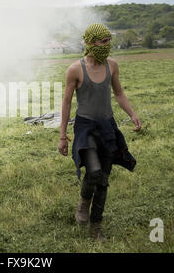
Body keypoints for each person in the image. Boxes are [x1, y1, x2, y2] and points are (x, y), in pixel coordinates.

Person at [58, 23, 142, 242]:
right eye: (103, 41)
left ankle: (96, 228)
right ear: (90, 43)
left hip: (107, 127)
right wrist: (62, 136)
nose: (108, 45)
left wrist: (132, 114)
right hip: (86, 127)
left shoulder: (112, 65)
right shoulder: (75, 69)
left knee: (103, 180)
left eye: (108, 40)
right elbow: (66, 102)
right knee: (93, 172)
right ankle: (84, 203)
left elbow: (119, 93)